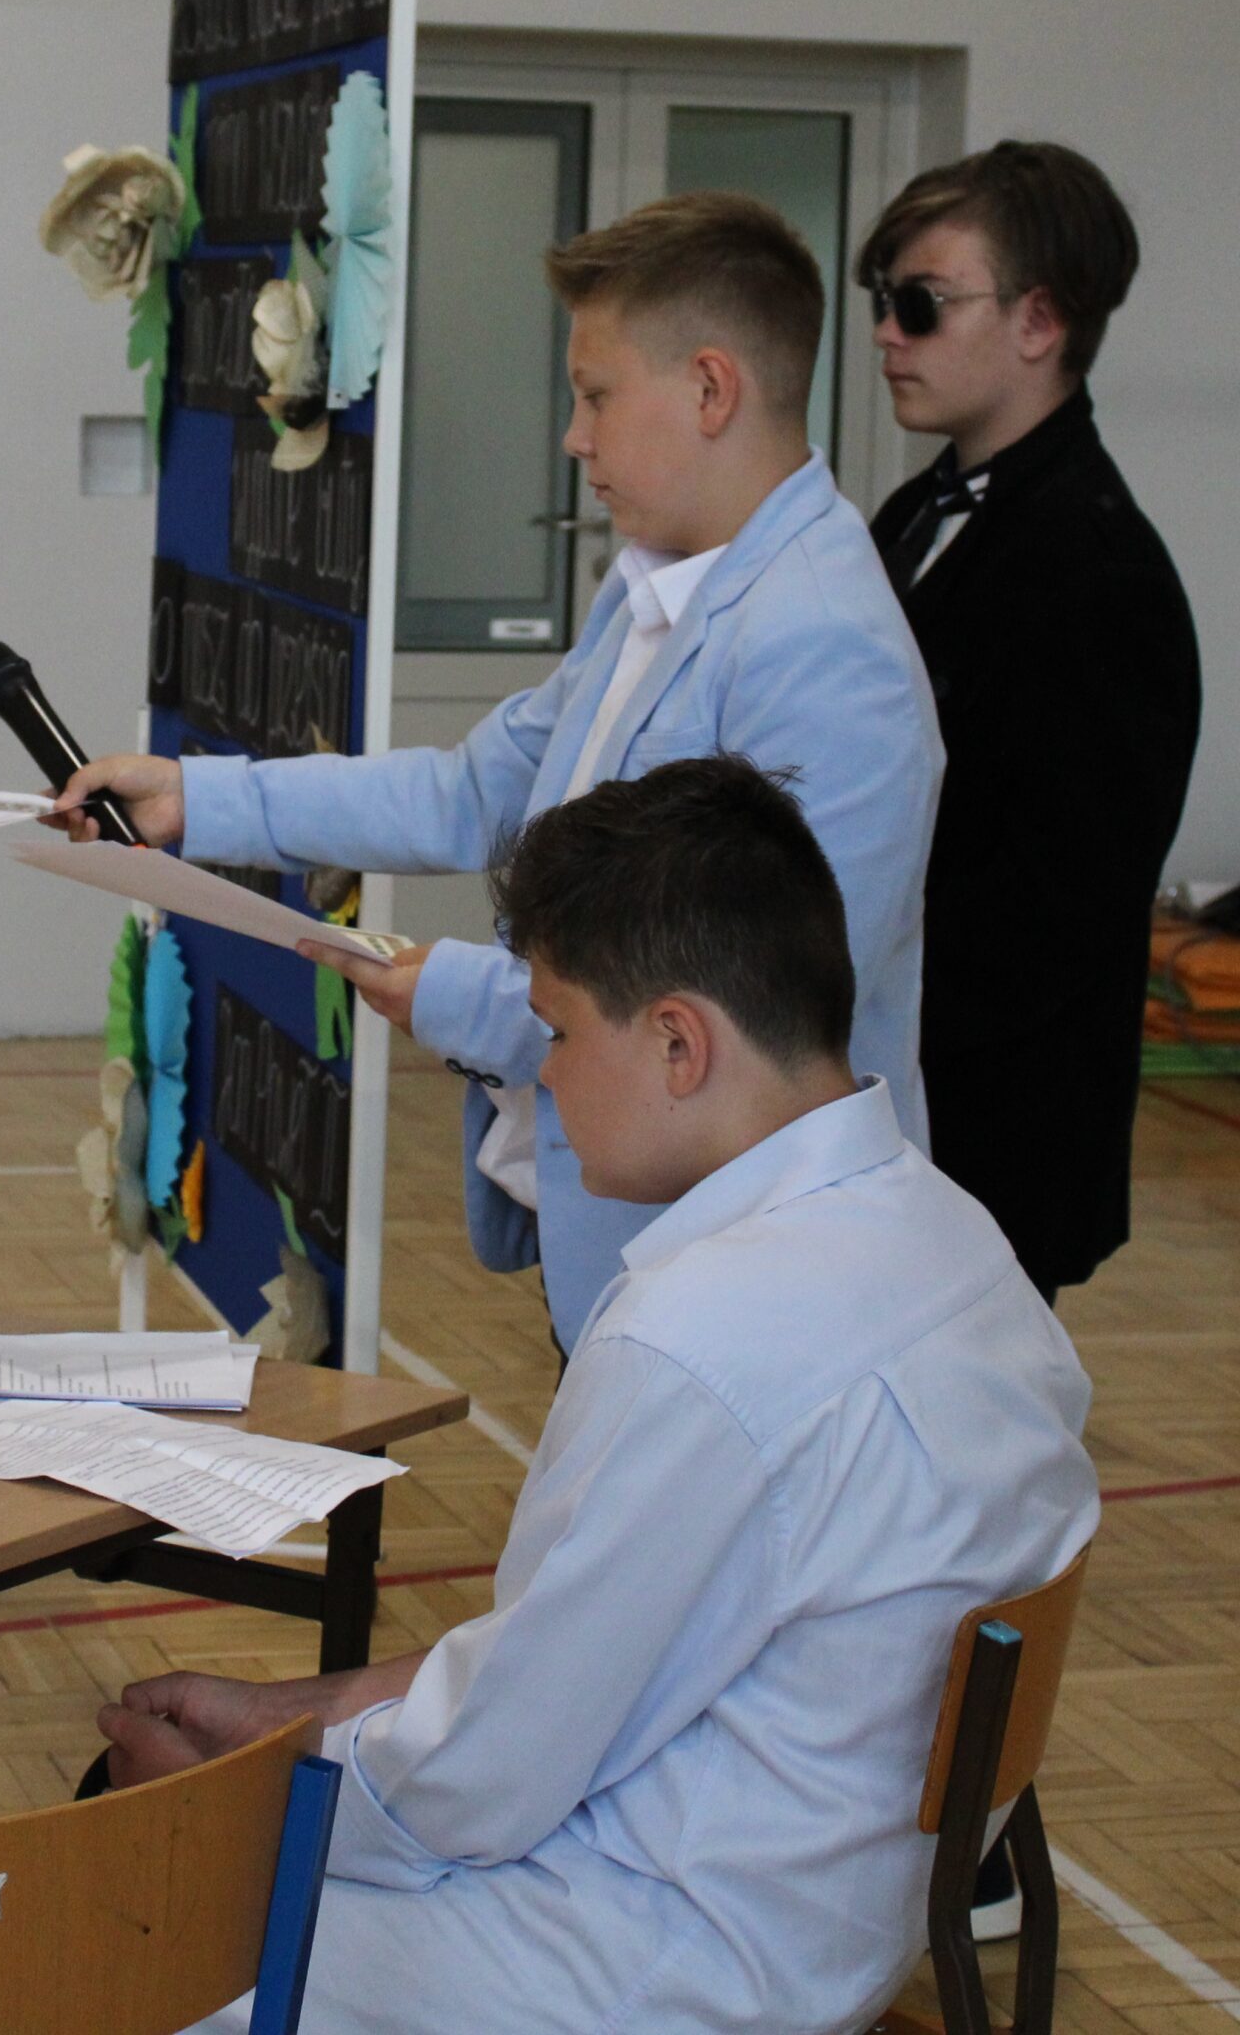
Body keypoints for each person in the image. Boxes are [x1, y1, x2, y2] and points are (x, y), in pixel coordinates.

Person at [96, 757, 1098, 2035]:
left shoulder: (701, 1339)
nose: (547, 1078)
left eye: (559, 1032)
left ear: (679, 1042)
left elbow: (478, 1786)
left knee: (127, 1927)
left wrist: (235, 1802)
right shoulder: (953, 1240)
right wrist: (290, 1712)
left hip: (657, 1954)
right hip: (819, 1900)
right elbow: (564, 1667)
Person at [59, 193, 941, 1353]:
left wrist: (459, 994)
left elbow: (747, 1012)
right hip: (640, 1248)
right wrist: (197, 797)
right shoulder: (655, 583)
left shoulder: (822, 648)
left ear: (710, 390)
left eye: (596, 395)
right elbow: (478, 791)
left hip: (754, 1282)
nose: (573, 438)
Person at [863, 141, 1201, 1303]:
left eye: (921, 304)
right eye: (882, 300)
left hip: (985, 1132)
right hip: (889, 1096)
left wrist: (844, 1019)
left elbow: (1056, 908)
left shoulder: (1099, 567)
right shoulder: (915, 510)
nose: (886, 333)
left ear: (1038, 321)